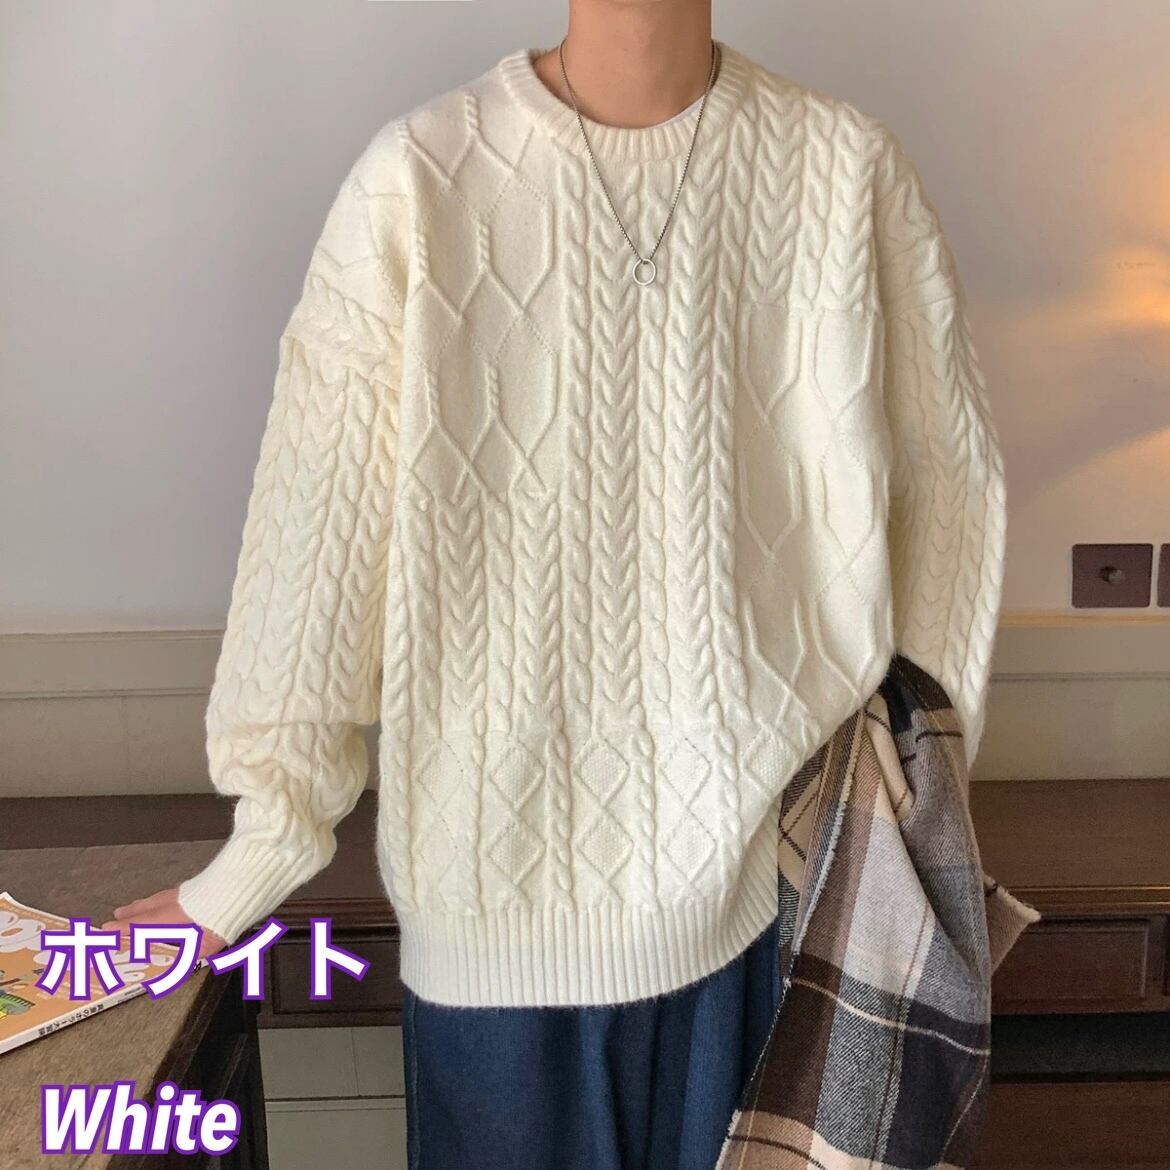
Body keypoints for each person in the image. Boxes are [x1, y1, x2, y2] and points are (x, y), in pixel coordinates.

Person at [104, 4, 1005, 1167]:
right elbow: (316, 532)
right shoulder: (421, 177)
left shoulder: (846, 171)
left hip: (768, 903)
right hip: (491, 923)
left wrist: (914, 788)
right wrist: (257, 851)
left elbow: (947, 485)